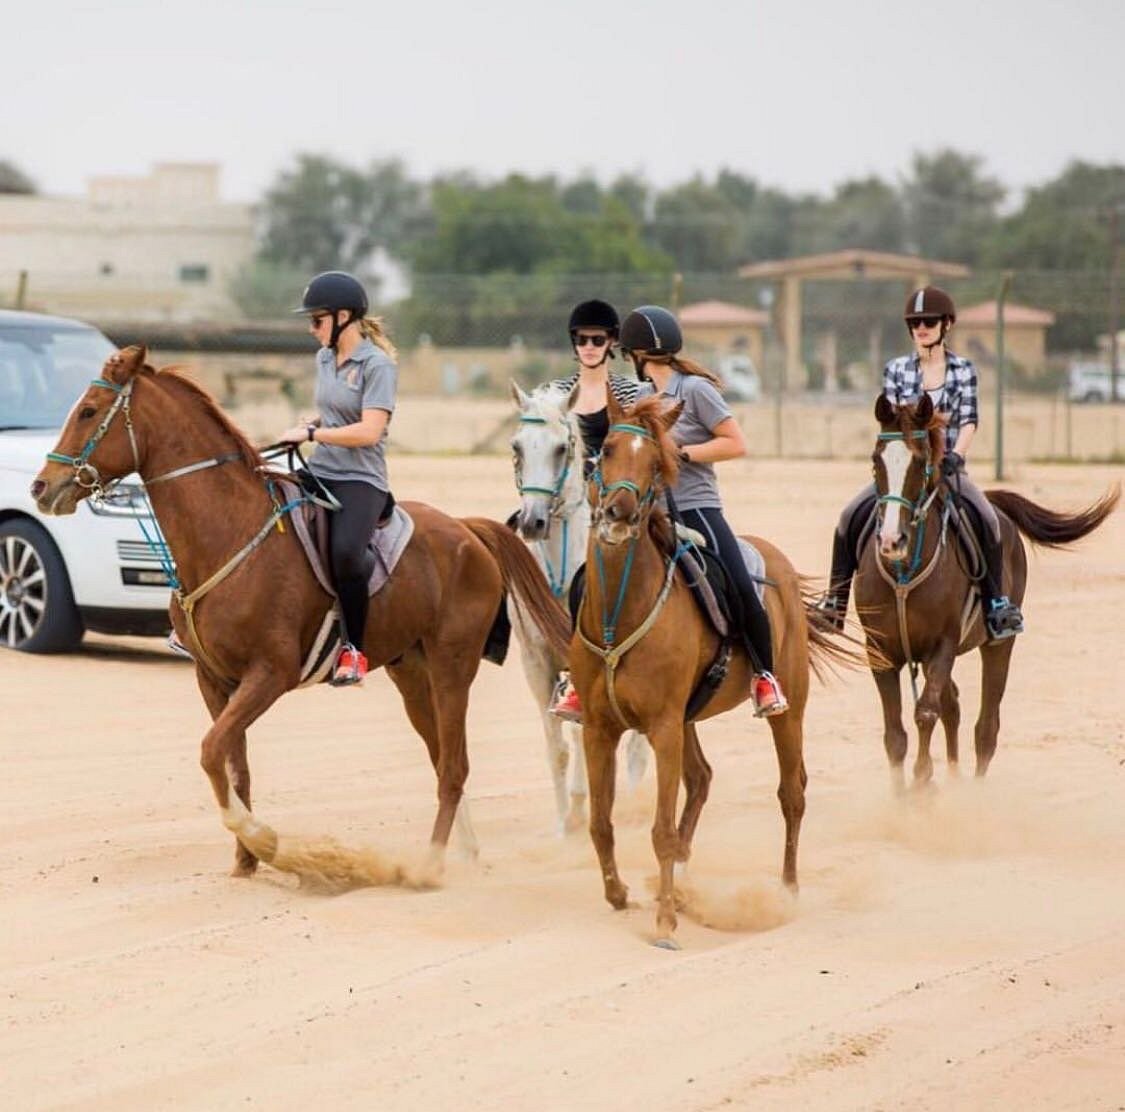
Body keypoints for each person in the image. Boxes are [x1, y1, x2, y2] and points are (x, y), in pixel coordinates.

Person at [552, 304, 788, 721]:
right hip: (650, 513)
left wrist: (682, 452)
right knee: (585, 581)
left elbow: (736, 443)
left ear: (637, 354)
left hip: (698, 507)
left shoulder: (696, 390)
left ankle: (764, 675)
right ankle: (576, 679)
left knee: (737, 581)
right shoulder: (640, 399)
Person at [815, 286, 1024, 640]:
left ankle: (996, 606)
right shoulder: (896, 369)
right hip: (904, 468)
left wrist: (956, 455)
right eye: (915, 323)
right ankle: (835, 602)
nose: (921, 328)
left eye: (928, 321)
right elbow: (894, 418)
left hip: (948, 467)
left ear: (947, 325)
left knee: (987, 519)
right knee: (849, 517)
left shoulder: (963, 370)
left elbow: (969, 418)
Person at [279, 270, 399, 686]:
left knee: (347, 553)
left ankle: (354, 650)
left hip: (361, 478)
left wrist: (313, 433)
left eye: (317, 320)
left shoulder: (377, 365)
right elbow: (336, 410)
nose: (312, 329)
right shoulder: (324, 359)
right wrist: (314, 421)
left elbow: (369, 431)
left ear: (344, 317)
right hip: (323, 466)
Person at [548, 299, 644, 476]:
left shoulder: (631, 394)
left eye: (598, 340)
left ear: (613, 341)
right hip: (564, 490)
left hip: (612, 488)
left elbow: (634, 448)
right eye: (581, 339)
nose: (588, 347)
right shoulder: (555, 392)